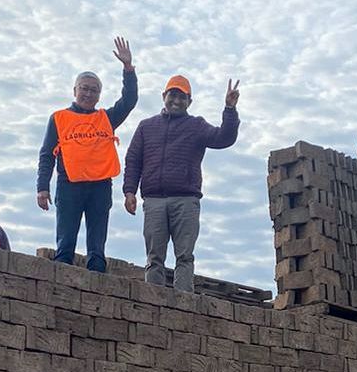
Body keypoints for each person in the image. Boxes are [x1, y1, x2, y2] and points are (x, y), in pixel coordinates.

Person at [122, 75, 241, 293]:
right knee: (154, 257)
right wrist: (129, 191)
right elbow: (133, 160)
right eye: (172, 95)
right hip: (154, 200)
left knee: (184, 256)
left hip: (185, 200)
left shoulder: (196, 126)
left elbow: (224, 138)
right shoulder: (146, 127)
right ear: (163, 96)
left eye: (182, 97)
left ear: (189, 101)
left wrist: (229, 109)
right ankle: (153, 303)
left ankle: (183, 305)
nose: (176, 101)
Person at [37, 37, 138, 272]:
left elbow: (130, 100)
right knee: (66, 240)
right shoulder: (59, 118)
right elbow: (46, 155)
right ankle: (61, 273)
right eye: (84, 88)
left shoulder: (106, 118)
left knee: (97, 242)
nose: (88, 93)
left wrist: (128, 69)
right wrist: (43, 187)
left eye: (94, 90)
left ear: (99, 95)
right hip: (69, 184)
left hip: (100, 185)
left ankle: (97, 276)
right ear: (75, 90)